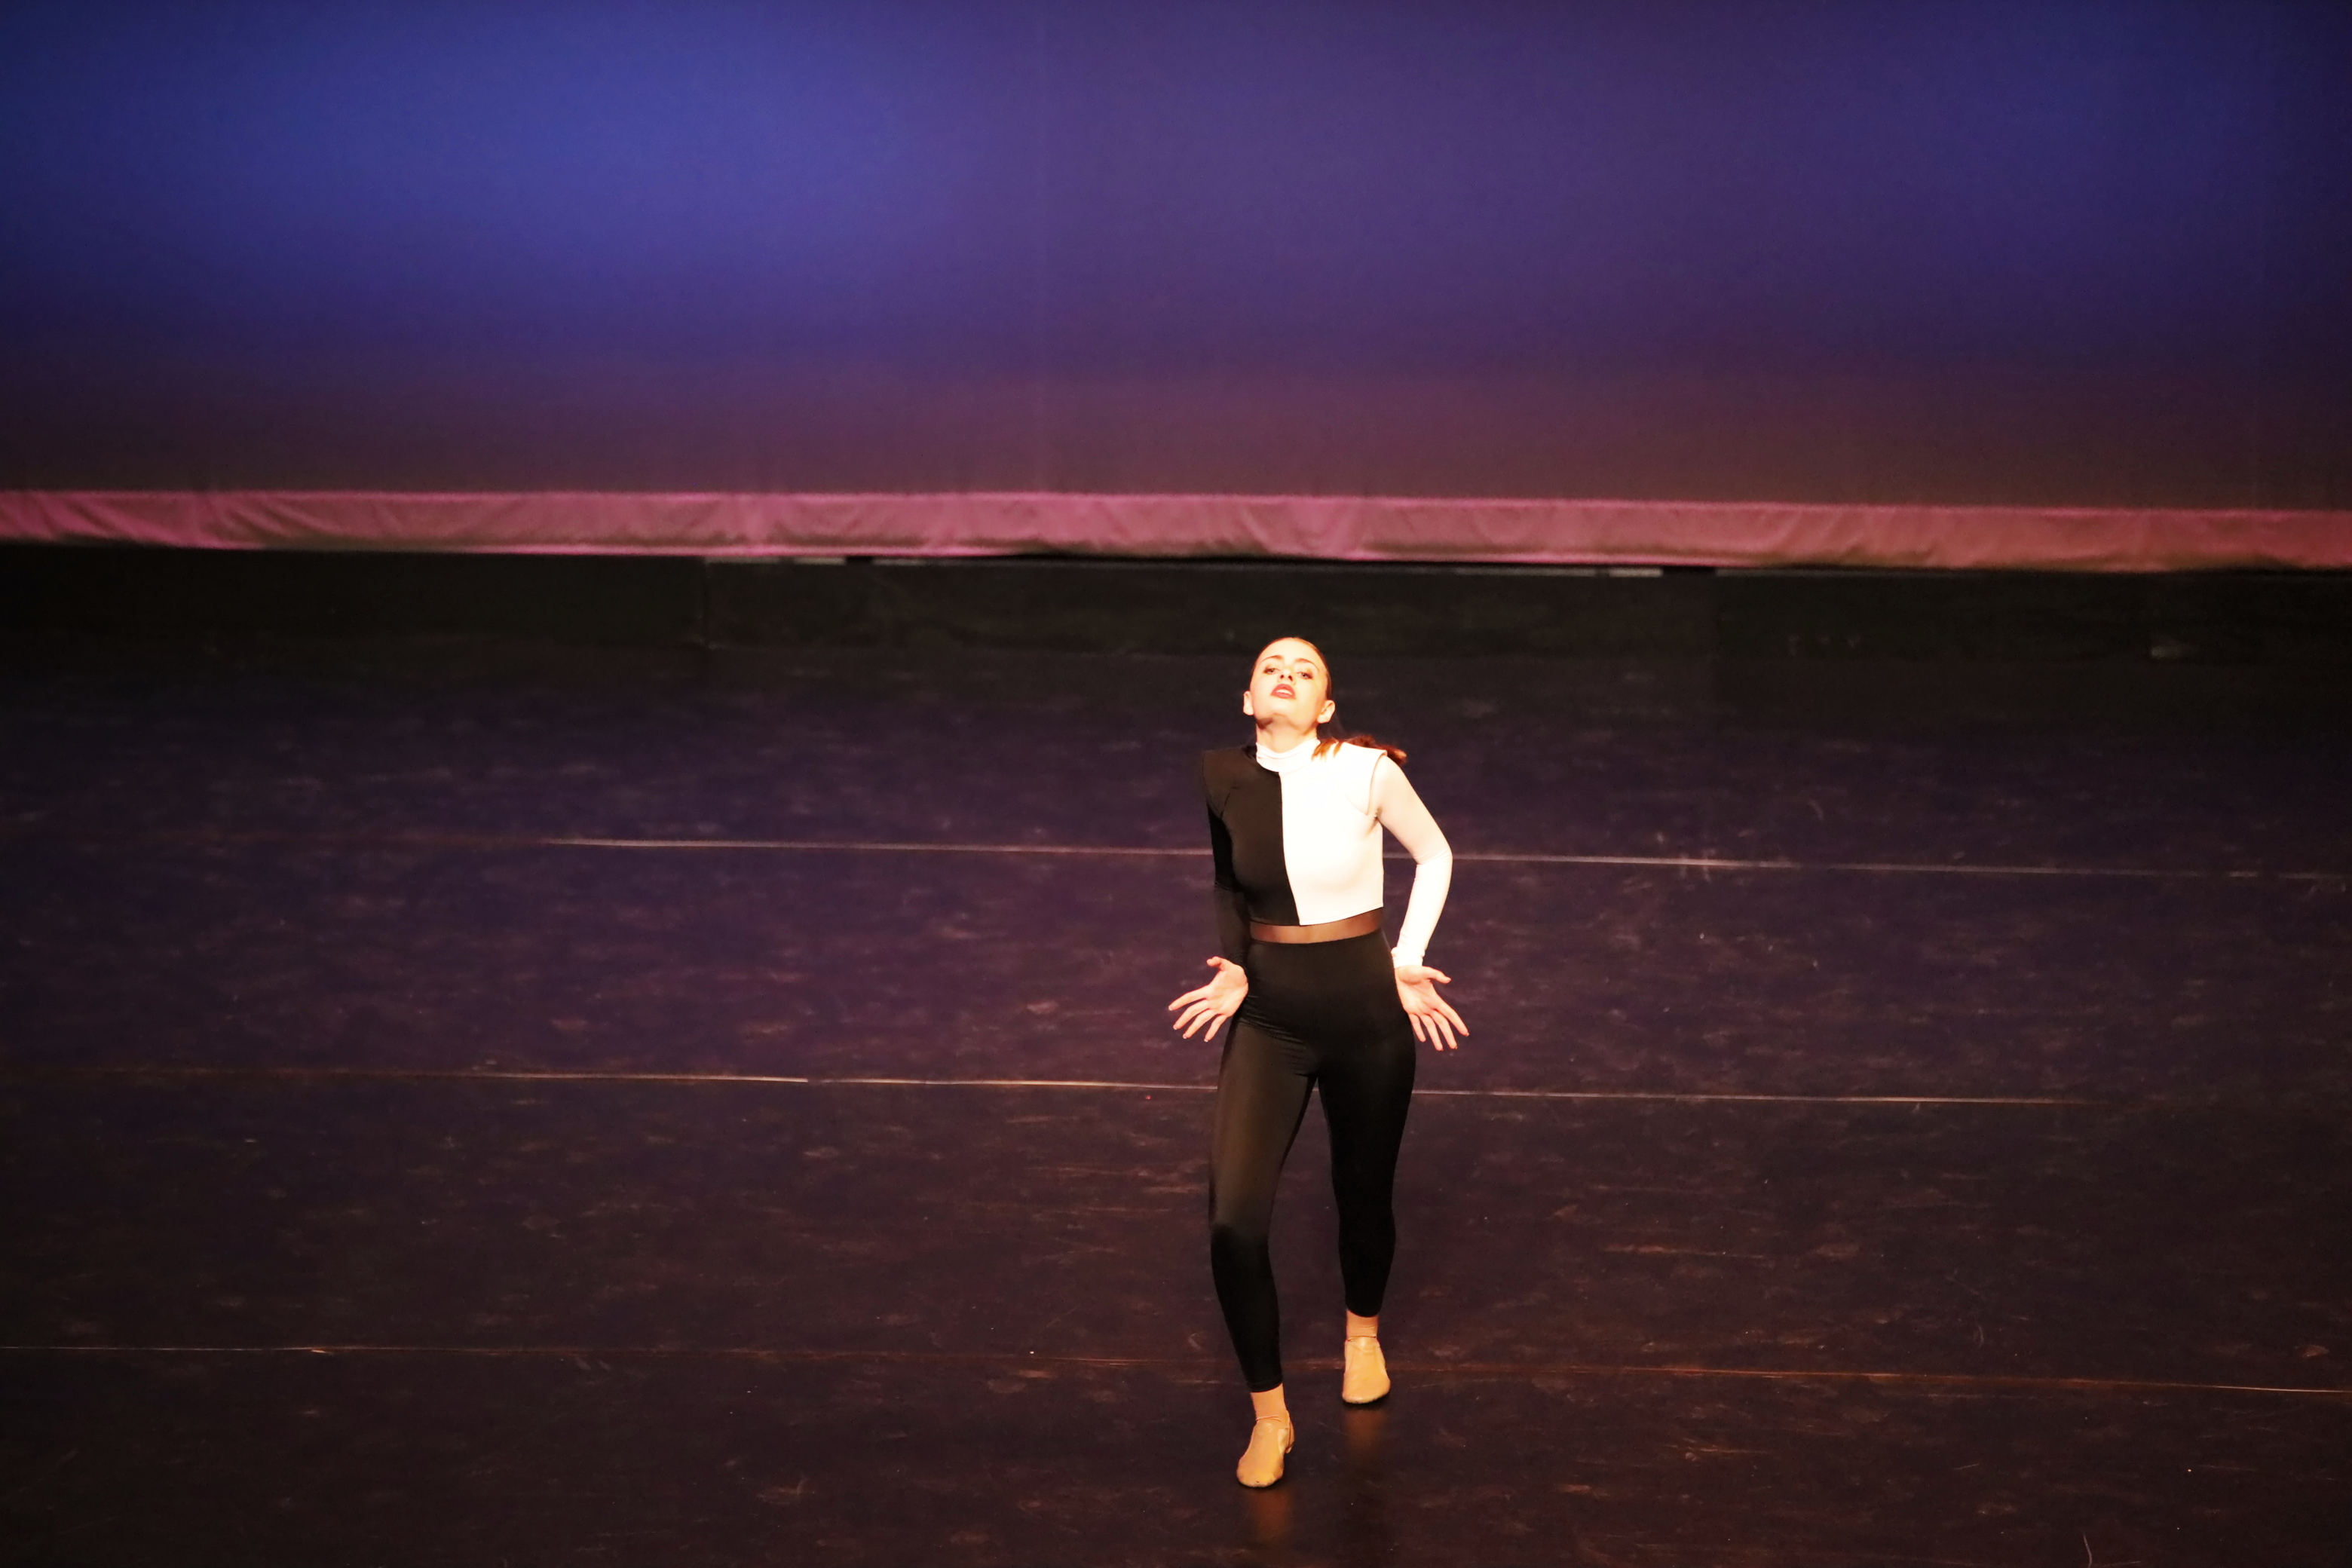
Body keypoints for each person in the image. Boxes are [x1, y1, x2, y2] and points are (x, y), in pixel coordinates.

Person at [1168, 635, 1466, 1489]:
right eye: (1272, 668)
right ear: (1248, 697)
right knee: (1233, 1221)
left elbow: (1436, 854)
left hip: (1366, 1015)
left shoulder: (1366, 771)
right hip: (1270, 1018)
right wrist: (1234, 965)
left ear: (1326, 706)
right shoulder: (1221, 774)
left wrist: (1408, 957)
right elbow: (1229, 883)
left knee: (1362, 1194)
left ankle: (1361, 1333)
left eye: (1305, 672)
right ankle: (1271, 1415)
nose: (1286, 676)